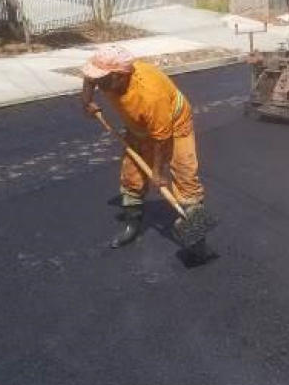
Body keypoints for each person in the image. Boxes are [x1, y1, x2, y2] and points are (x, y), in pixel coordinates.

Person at [81, 45, 208, 248]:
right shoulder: (106, 78)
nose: (98, 81)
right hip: (138, 126)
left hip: (174, 123)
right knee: (132, 175)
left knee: (185, 174)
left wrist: (157, 172)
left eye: (102, 78)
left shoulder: (149, 94)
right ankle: (132, 224)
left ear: (120, 76)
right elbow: (90, 78)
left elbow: (161, 137)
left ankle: (197, 234)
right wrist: (86, 101)